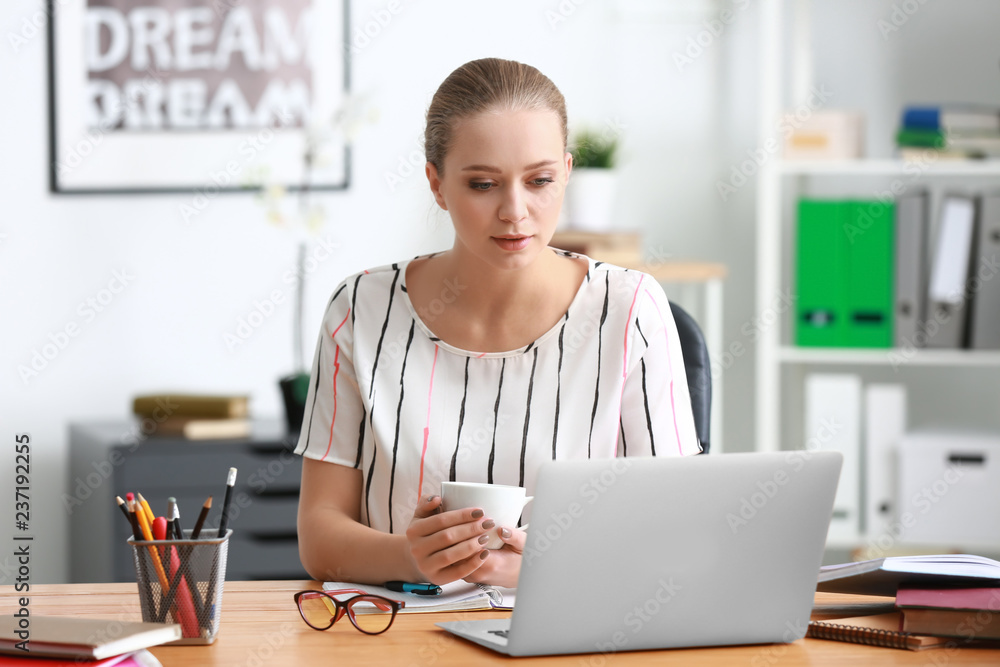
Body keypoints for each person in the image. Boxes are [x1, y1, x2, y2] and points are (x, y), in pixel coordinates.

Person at [295, 58, 700, 589]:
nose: (515, 210)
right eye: (483, 184)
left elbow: (675, 533)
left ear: (567, 175)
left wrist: (547, 568)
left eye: (540, 181)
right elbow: (319, 537)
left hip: (572, 633)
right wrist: (409, 557)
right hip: (395, 634)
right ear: (436, 184)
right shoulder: (360, 310)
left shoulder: (630, 310)